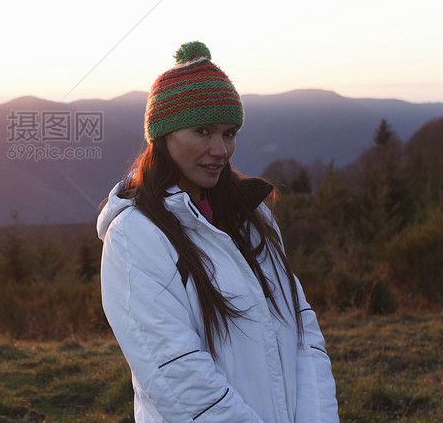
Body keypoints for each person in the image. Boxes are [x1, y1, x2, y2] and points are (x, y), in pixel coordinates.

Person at [97, 42, 339, 422]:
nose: (220, 150)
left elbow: (302, 329)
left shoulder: (252, 216)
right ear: (163, 137)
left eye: (229, 134)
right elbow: (176, 373)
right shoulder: (135, 235)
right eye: (203, 131)